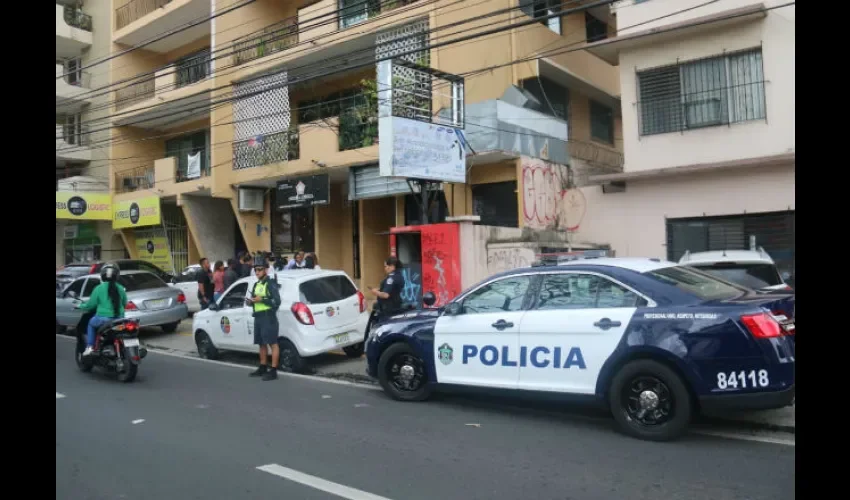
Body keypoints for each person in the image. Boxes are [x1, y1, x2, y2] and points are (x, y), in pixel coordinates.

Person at [79, 263, 128, 357]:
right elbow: (125, 303)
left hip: (103, 319)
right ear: (117, 276)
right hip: (119, 319)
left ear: (102, 275)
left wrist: (81, 306)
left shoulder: (98, 288)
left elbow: (90, 305)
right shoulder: (121, 288)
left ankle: (90, 347)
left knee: (91, 324)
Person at [247, 254, 282, 381]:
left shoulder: (270, 284)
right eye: (255, 269)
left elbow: (277, 302)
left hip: (269, 317)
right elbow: (257, 301)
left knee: (272, 343)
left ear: (266, 270)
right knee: (261, 343)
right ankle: (262, 366)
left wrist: (262, 299)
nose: (257, 272)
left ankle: (273, 370)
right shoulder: (256, 285)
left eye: (260, 269)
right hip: (259, 318)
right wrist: (251, 302)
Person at [368, 257, 405, 323]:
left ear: (392, 266)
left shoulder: (391, 278)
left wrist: (375, 292)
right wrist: (379, 289)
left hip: (388, 308)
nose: (385, 268)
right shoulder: (399, 275)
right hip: (396, 305)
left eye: (386, 266)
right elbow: (393, 288)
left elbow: (385, 295)